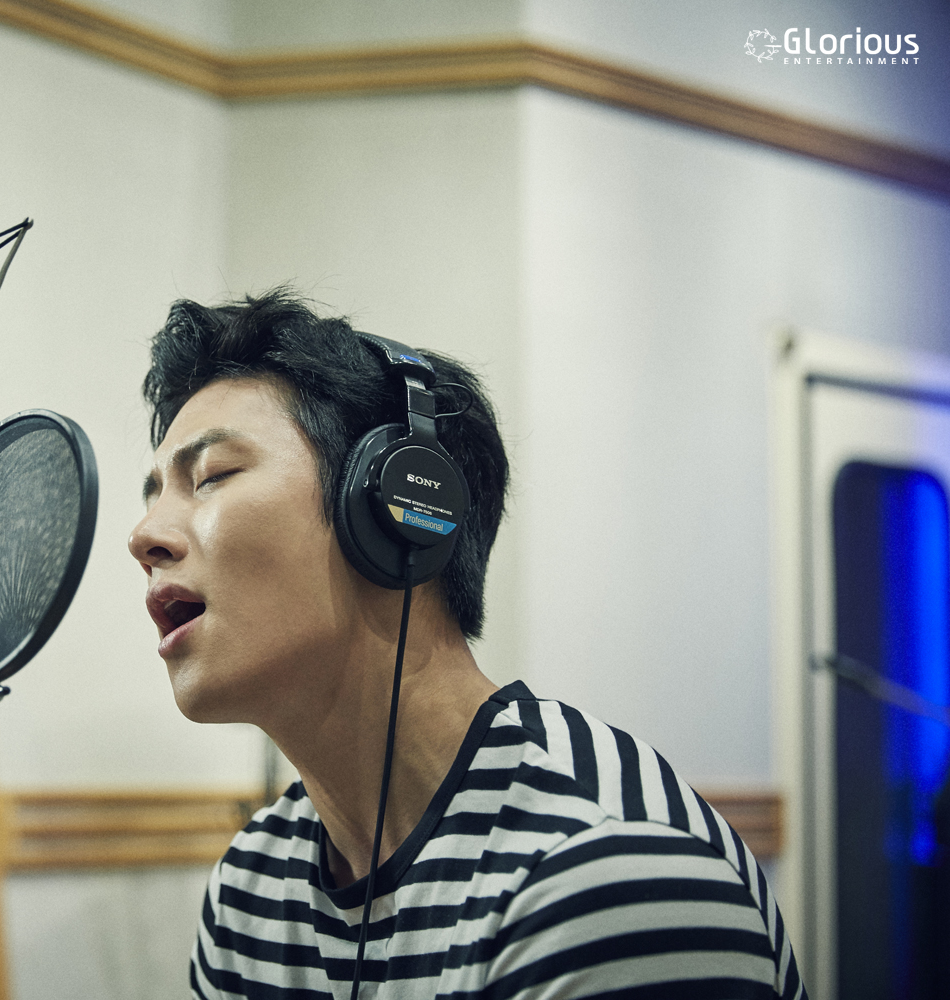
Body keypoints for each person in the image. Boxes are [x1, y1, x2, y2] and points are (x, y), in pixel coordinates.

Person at [127, 291, 806, 999]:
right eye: (152, 497)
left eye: (212, 477)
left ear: (396, 515)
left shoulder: (606, 870)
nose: (144, 537)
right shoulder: (253, 884)